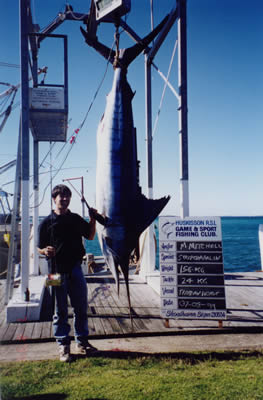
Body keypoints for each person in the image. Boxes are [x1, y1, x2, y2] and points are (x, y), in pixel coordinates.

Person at [38, 184, 99, 362]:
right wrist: (44, 251)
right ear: (54, 199)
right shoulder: (45, 222)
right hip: (54, 272)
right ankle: (63, 346)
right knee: (59, 309)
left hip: (75, 268)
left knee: (80, 307)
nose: (64, 199)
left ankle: (82, 343)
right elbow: (38, 248)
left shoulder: (75, 218)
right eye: (61, 196)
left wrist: (93, 220)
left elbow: (90, 236)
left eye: (67, 196)